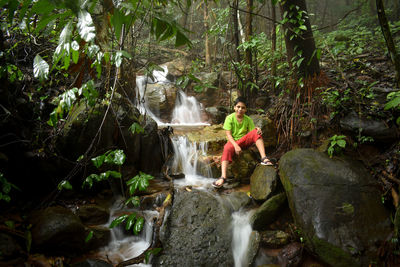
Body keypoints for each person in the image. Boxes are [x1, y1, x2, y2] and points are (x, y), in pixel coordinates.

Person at [212, 97, 273, 188]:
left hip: (244, 142)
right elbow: (228, 135)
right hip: (233, 142)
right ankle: (223, 177)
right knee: (226, 148)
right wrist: (236, 146)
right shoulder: (229, 118)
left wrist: (257, 130)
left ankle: (264, 158)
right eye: (238, 107)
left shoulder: (248, 119)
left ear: (246, 109)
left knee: (256, 132)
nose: (240, 109)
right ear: (234, 108)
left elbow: (252, 134)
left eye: (243, 107)